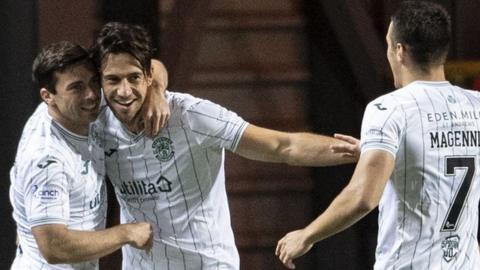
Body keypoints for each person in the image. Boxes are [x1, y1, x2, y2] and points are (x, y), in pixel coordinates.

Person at [90, 22, 360, 270]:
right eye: (113, 80)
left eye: (134, 78)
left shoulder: (193, 116)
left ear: (148, 76)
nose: (124, 91)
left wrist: (362, 153)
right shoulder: (93, 121)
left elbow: (283, 146)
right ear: (100, 82)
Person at [275, 1, 480, 269]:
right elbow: (446, 159)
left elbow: (363, 196)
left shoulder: (389, 109)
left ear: (399, 50)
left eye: (387, 43)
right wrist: (390, 154)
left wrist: (307, 235)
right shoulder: (475, 105)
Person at [9, 41, 155, 270]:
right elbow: (54, 247)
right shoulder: (46, 159)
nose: (91, 95)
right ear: (48, 96)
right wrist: (126, 233)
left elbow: (151, 65)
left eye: (94, 82)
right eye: (76, 87)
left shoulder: (80, 112)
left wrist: (156, 91)